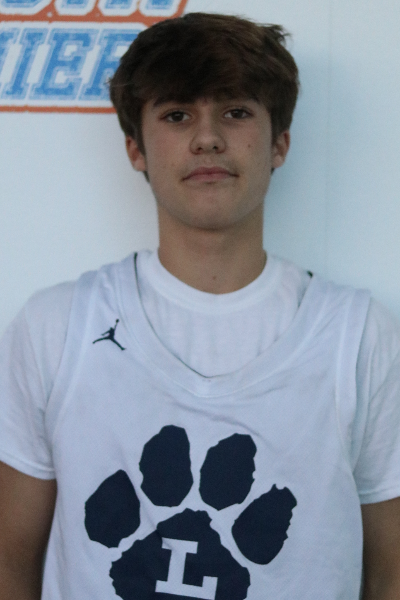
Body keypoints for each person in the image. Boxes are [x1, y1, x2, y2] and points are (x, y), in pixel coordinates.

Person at [0, 12, 400, 600]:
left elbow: (390, 572)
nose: (207, 138)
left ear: (280, 143)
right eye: (177, 114)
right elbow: (10, 564)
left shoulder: (358, 337)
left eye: (235, 112)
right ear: (135, 148)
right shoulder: (56, 328)